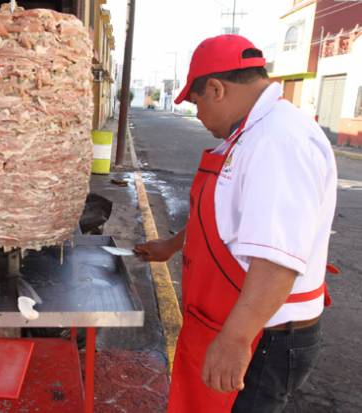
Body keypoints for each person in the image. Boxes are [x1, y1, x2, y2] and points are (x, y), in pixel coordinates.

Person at [134, 34, 337, 412]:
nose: (197, 114)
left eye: (196, 103)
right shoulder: (245, 135)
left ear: (216, 89)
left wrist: (234, 340)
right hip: (230, 320)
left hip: (265, 335)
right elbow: (224, 217)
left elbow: (278, 261)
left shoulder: (279, 140)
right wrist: (174, 244)